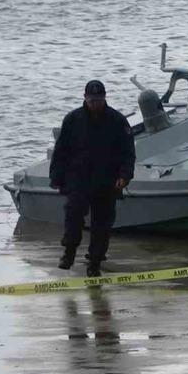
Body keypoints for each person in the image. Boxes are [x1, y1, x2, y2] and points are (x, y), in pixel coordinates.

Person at [49, 80, 136, 276]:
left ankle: (95, 262)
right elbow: (61, 151)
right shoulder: (73, 119)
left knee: (102, 224)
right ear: (85, 98)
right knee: (73, 216)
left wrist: (125, 175)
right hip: (78, 178)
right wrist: (56, 176)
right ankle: (69, 253)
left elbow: (128, 152)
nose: (95, 104)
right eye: (91, 100)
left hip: (107, 180)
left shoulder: (117, 120)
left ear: (104, 98)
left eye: (98, 100)